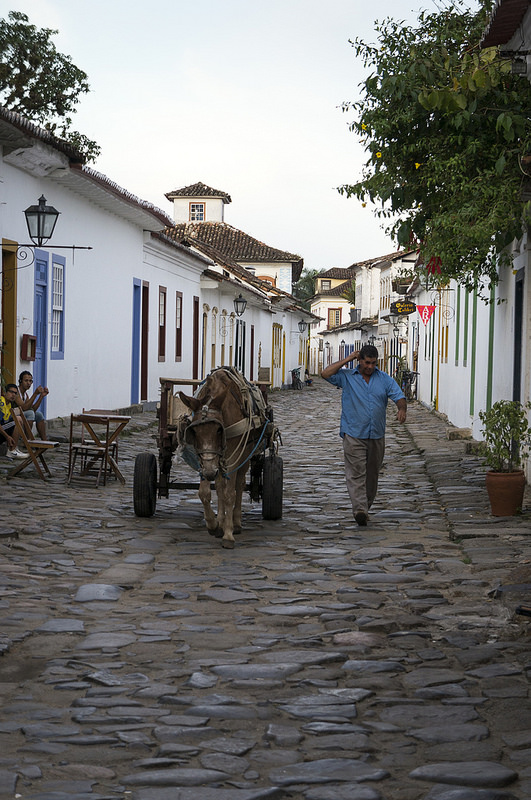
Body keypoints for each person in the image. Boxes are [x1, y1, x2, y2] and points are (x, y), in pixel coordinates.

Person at [321, 344, 407, 526]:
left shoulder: (384, 379)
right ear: (360, 361)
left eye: (373, 363)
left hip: (376, 434)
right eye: (367, 362)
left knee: (372, 474)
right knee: (356, 473)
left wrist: (402, 408)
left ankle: (365, 506)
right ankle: (360, 509)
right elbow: (325, 374)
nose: (370, 367)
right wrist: (347, 359)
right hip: (353, 433)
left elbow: (398, 396)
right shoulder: (346, 377)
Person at [15, 371, 48, 439]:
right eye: (26, 381)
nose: (28, 383)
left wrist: (41, 396)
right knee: (30, 413)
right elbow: (24, 408)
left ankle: (44, 440)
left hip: (21, 415)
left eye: (30, 381)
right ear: (20, 381)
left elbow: (33, 409)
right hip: (14, 416)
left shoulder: (25, 394)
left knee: (39, 415)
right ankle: (27, 439)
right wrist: (35, 394)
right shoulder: (16, 392)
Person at [0, 384, 25, 459]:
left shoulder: (9, 404)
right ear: (5, 392)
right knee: (18, 419)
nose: (13, 395)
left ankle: (14, 448)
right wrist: (7, 437)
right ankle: (12, 450)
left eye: (15, 393)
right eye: (11, 392)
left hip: (3, 429)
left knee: (18, 419)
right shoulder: (1, 403)